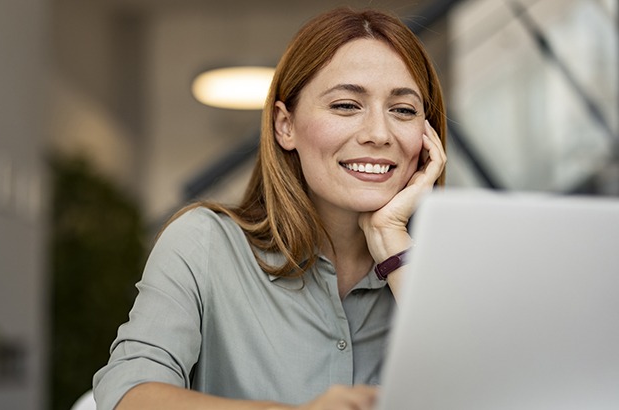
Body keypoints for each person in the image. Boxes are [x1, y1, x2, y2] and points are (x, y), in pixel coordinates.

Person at [93, 6, 447, 410]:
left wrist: (393, 245)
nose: (379, 134)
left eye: (402, 110)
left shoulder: (444, 265)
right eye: (346, 105)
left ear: (427, 133)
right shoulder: (203, 244)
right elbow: (128, 396)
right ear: (285, 125)